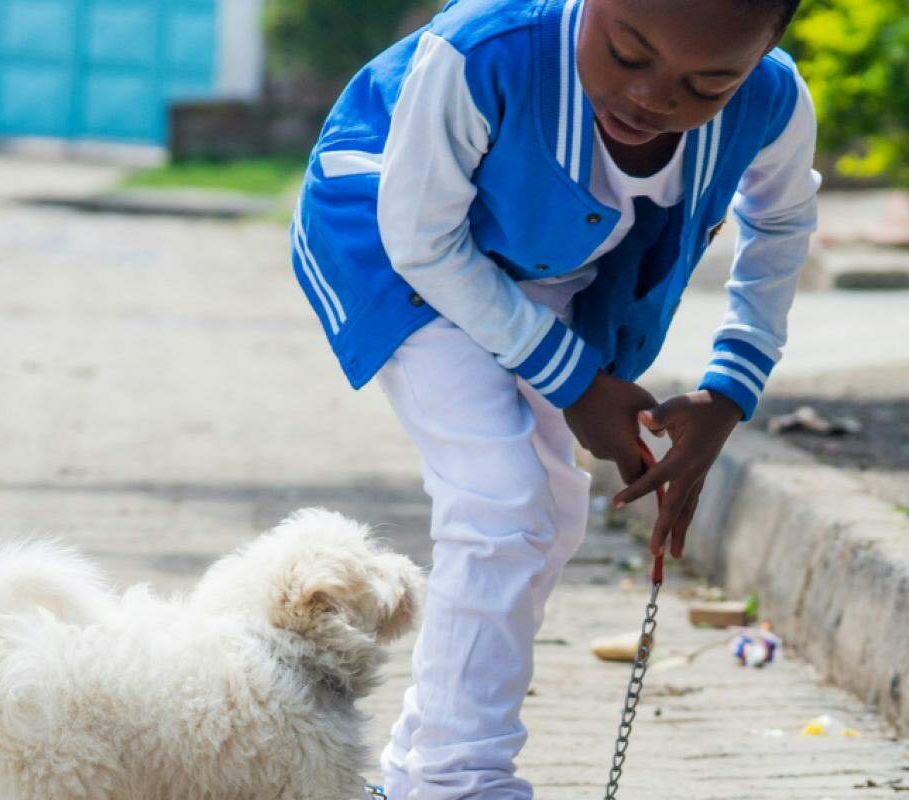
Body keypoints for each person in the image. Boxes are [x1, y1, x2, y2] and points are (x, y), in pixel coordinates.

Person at [289, 0, 819, 796]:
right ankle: (459, 780)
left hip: (546, 267)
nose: (654, 97)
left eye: (707, 84)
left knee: (550, 515)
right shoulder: (484, 51)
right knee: (501, 500)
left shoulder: (772, 98)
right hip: (400, 245)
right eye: (629, 53)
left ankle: (415, 767)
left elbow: (780, 224)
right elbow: (422, 240)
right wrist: (573, 380)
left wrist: (727, 392)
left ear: (757, 57)